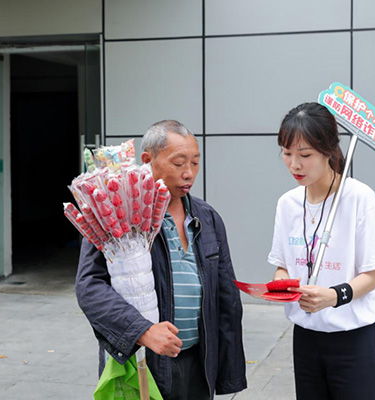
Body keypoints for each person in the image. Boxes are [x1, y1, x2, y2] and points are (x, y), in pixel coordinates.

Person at [76, 120, 247, 400]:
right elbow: (89, 287)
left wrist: (228, 372)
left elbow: (226, 297)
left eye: (195, 162)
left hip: (198, 362)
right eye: (179, 163)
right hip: (144, 362)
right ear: (147, 160)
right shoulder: (117, 214)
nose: (189, 173)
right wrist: (142, 331)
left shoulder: (207, 217)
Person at [267, 102, 375, 400]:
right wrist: (282, 284)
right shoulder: (287, 204)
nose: (294, 165)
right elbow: (282, 265)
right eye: (287, 154)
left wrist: (333, 296)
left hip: (354, 340)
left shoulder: (359, 198)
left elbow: (372, 276)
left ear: (328, 151)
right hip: (306, 337)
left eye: (305, 155)